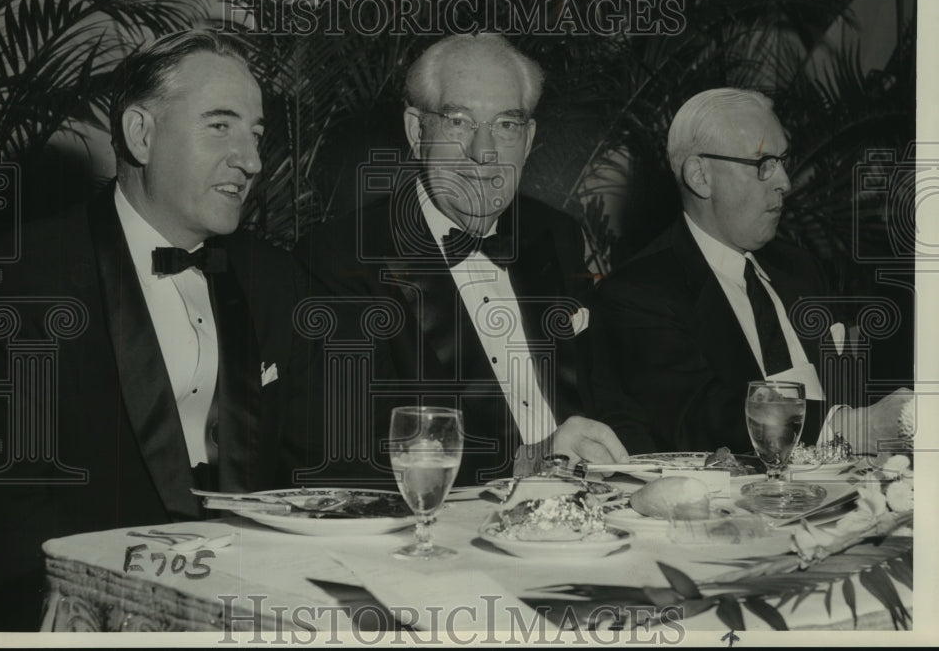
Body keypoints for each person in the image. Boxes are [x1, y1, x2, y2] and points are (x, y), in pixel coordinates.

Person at [0, 29, 313, 631]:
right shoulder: (16, 284)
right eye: (220, 126)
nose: (251, 160)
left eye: (255, 134)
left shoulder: (276, 280)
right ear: (140, 134)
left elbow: (314, 472)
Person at [295, 33, 637, 487]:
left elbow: (611, 398)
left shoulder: (556, 234)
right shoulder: (343, 255)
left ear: (529, 137)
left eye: (506, 125)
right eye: (459, 122)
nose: (485, 152)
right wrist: (528, 462)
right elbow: (353, 449)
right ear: (418, 131)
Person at [595, 87, 911, 454]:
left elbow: (849, 388)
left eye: (782, 161)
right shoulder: (638, 293)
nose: (786, 183)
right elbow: (698, 418)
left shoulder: (800, 268)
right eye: (763, 164)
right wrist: (851, 429)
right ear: (700, 176)